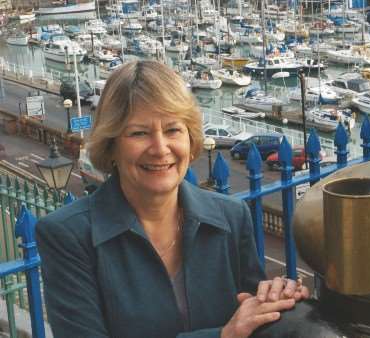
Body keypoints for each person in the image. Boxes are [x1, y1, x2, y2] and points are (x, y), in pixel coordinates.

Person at [36, 60, 309, 338]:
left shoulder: (231, 216)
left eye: (172, 130)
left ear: (190, 139)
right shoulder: (68, 236)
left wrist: (280, 302)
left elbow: (254, 322)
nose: (159, 148)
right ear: (112, 144)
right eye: (139, 133)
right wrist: (223, 336)